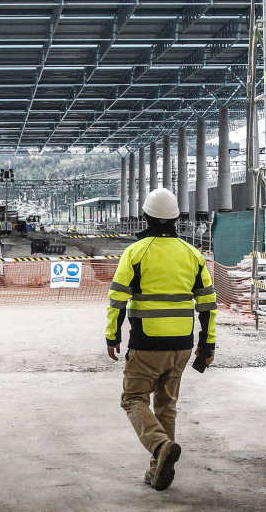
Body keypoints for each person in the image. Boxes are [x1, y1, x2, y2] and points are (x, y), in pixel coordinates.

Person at [106, 187, 217, 492]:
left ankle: (158, 446)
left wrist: (112, 336)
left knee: (133, 399)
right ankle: (157, 471)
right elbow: (208, 305)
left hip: (146, 344)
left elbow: (117, 300)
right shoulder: (192, 254)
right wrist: (207, 345)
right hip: (181, 344)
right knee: (166, 407)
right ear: (177, 219)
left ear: (145, 216)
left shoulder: (136, 251)